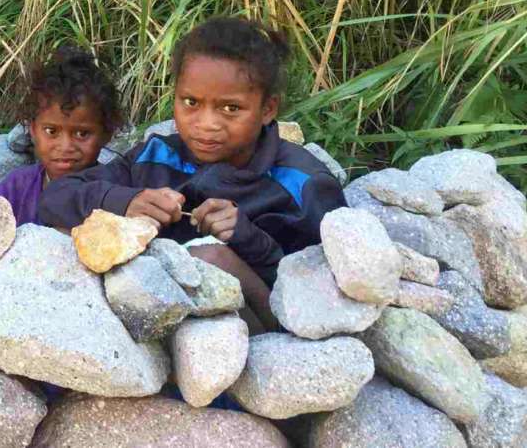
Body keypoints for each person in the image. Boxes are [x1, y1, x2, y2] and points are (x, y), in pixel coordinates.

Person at [38, 17, 346, 331]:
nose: (206, 123)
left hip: (257, 332)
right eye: (191, 102)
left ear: (268, 109)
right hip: (146, 320)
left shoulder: (302, 182)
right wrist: (124, 201)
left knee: (211, 259)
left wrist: (248, 239)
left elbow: (327, 292)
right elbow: (55, 197)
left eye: (230, 108)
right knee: (66, 236)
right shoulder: (154, 157)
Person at [0, 45, 123, 226]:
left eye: (82, 133)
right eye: (51, 131)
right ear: (32, 129)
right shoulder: (14, 190)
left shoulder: (115, 193)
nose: (66, 146)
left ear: (107, 133)